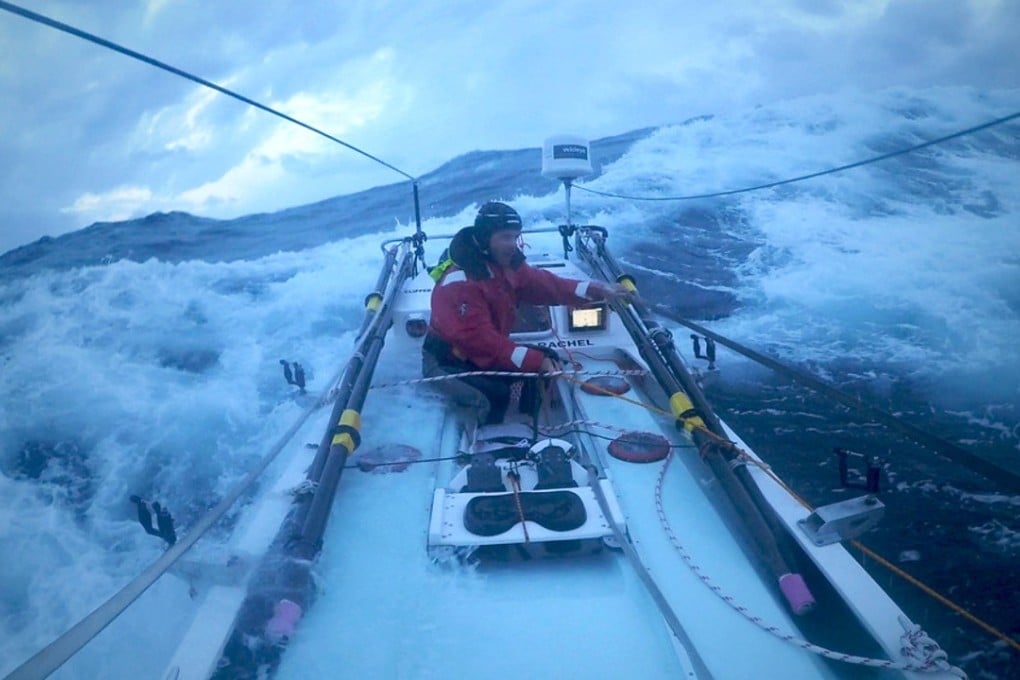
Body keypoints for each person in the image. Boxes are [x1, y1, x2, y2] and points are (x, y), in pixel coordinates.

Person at [423, 201, 628, 425]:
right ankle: (485, 444)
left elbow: (546, 285)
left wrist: (597, 290)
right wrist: (535, 361)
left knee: (545, 360)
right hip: (448, 362)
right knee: (493, 395)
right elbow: (479, 340)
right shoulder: (459, 284)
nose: (513, 244)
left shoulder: (505, 265)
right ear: (483, 239)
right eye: (505, 237)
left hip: (481, 354)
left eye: (515, 237)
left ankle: (531, 424)